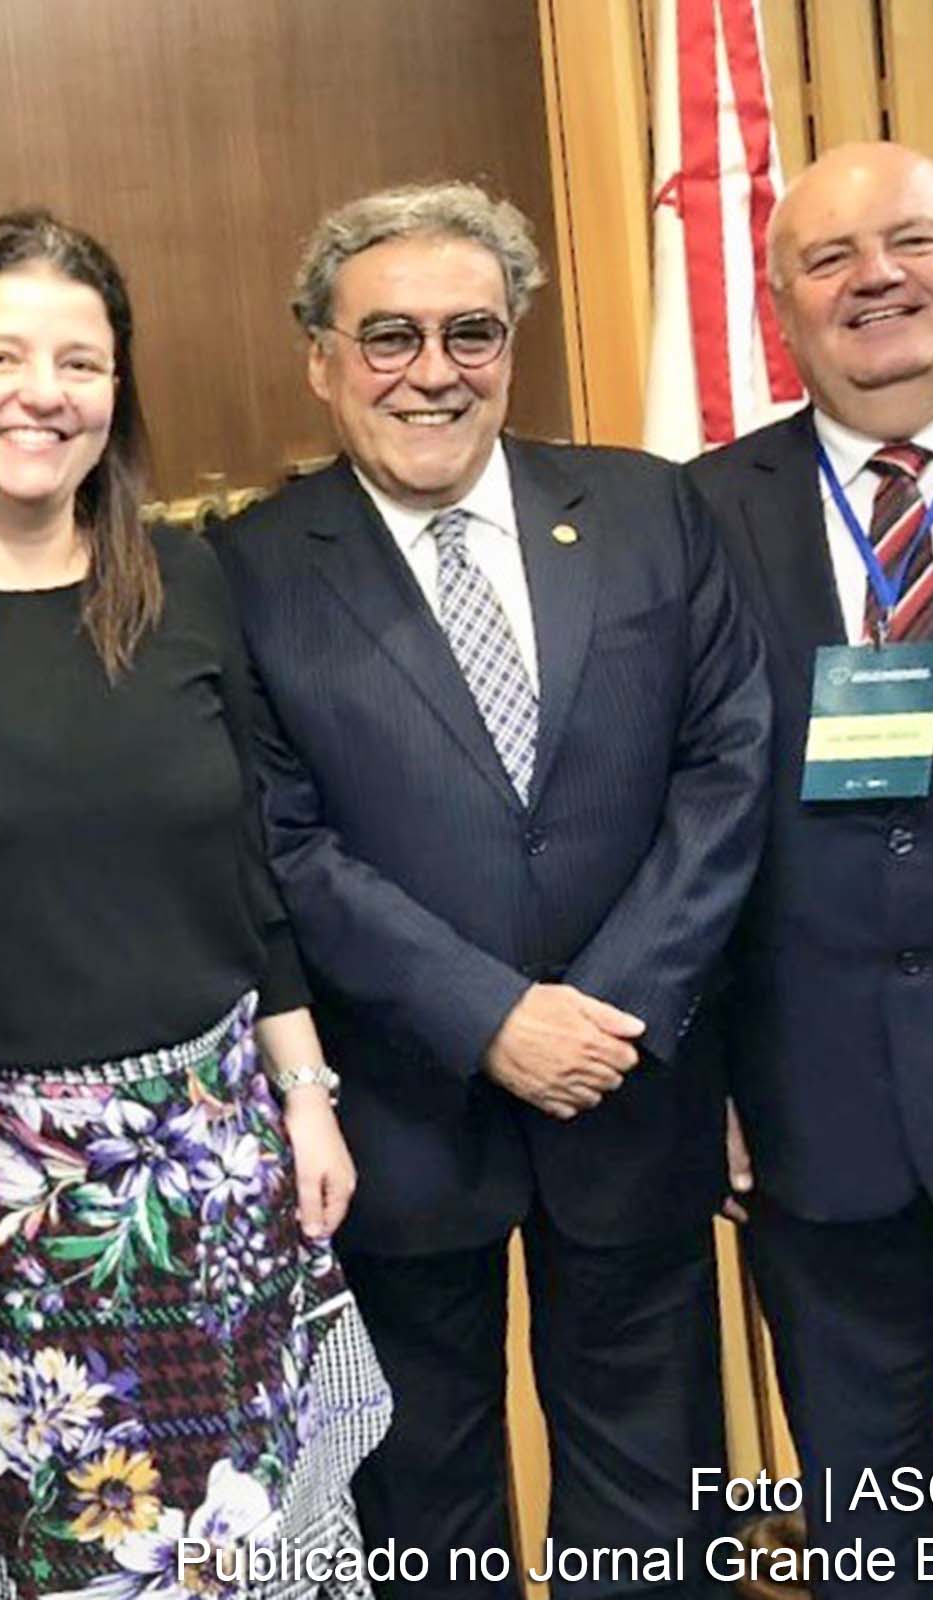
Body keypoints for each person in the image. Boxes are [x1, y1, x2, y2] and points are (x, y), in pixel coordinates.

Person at [0, 211, 390, 1600]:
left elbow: (241, 865)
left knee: (253, 1551)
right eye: (2, 355)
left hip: (220, 1169)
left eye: (81, 362)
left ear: (118, 396)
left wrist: (304, 1089)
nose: (43, 392)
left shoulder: (185, 582)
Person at [214, 182, 770, 1596]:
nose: (432, 371)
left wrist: (609, 1007)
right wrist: (488, 1015)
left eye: (470, 331)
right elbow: (279, 839)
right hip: (405, 1112)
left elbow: (726, 765)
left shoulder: (649, 508)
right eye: (388, 336)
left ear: (513, 342)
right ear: (322, 360)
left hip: (628, 1087)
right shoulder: (250, 571)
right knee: (423, 1510)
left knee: (657, 1505)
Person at [687, 141, 933, 1598]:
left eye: (913, 240)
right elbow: (672, 825)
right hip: (816, 1128)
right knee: (867, 1543)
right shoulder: (692, 517)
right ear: (779, 313)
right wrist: (707, 1076)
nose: (875, 279)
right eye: (827, 259)